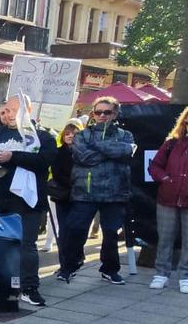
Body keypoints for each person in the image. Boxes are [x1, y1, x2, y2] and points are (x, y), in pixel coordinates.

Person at [56, 96, 135, 285]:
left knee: (110, 233)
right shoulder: (83, 135)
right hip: (85, 192)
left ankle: (110, 269)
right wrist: (114, 151)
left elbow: (126, 152)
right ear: (93, 113)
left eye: (106, 112)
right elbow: (84, 157)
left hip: (115, 192)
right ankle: (69, 267)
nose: (102, 115)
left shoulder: (126, 135)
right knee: (75, 230)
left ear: (115, 114)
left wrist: (99, 147)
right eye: (98, 112)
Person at [0, 96, 56, 307]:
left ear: (27, 110)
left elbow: (46, 160)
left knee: (27, 244)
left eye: (12, 110)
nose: (7, 115)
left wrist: (13, 157)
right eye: (4, 111)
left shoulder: (42, 136)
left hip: (28, 199)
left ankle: (29, 287)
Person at [147, 106, 188, 293]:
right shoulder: (171, 143)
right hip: (167, 199)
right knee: (165, 238)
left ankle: (185, 275)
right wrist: (165, 179)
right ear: (185, 121)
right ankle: (161, 274)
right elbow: (155, 166)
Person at [47, 120, 82, 273]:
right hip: (63, 196)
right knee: (64, 230)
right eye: (67, 134)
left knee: (77, 229)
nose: (70, 136)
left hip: (80, 196)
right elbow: (56, 173)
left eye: (73, 134)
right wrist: (72, 183)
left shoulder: (83, 152)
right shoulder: (58, 152)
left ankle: (76, 257)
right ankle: (65, 264)